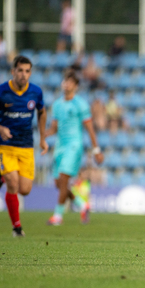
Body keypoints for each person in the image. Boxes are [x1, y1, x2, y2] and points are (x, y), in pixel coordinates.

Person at [0, 55, 48, 237]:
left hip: (26, 146)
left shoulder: (36, 92)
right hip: (5, 145)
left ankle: (1, 176)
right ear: (13, 72)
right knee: (13, 184)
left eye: (27, 71)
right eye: (20, 71)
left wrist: (42, 138)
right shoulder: (0, 91)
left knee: (25, 190)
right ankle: (17, 228)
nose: (23, 75)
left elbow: (42, 112)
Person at [46, 71, 104, 226]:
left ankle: (57, 216)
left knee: (64, 179)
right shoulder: (57, 104)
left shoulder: (81, 104)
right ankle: (82, 205)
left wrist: (96, 150)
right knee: (59, 184)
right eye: (65, 81)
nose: (67, 84)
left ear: (76, 86)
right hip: (60, 146)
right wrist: (42, 136)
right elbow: (54, 128)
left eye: (70, 82)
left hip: (74, 145)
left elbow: (90, 128)